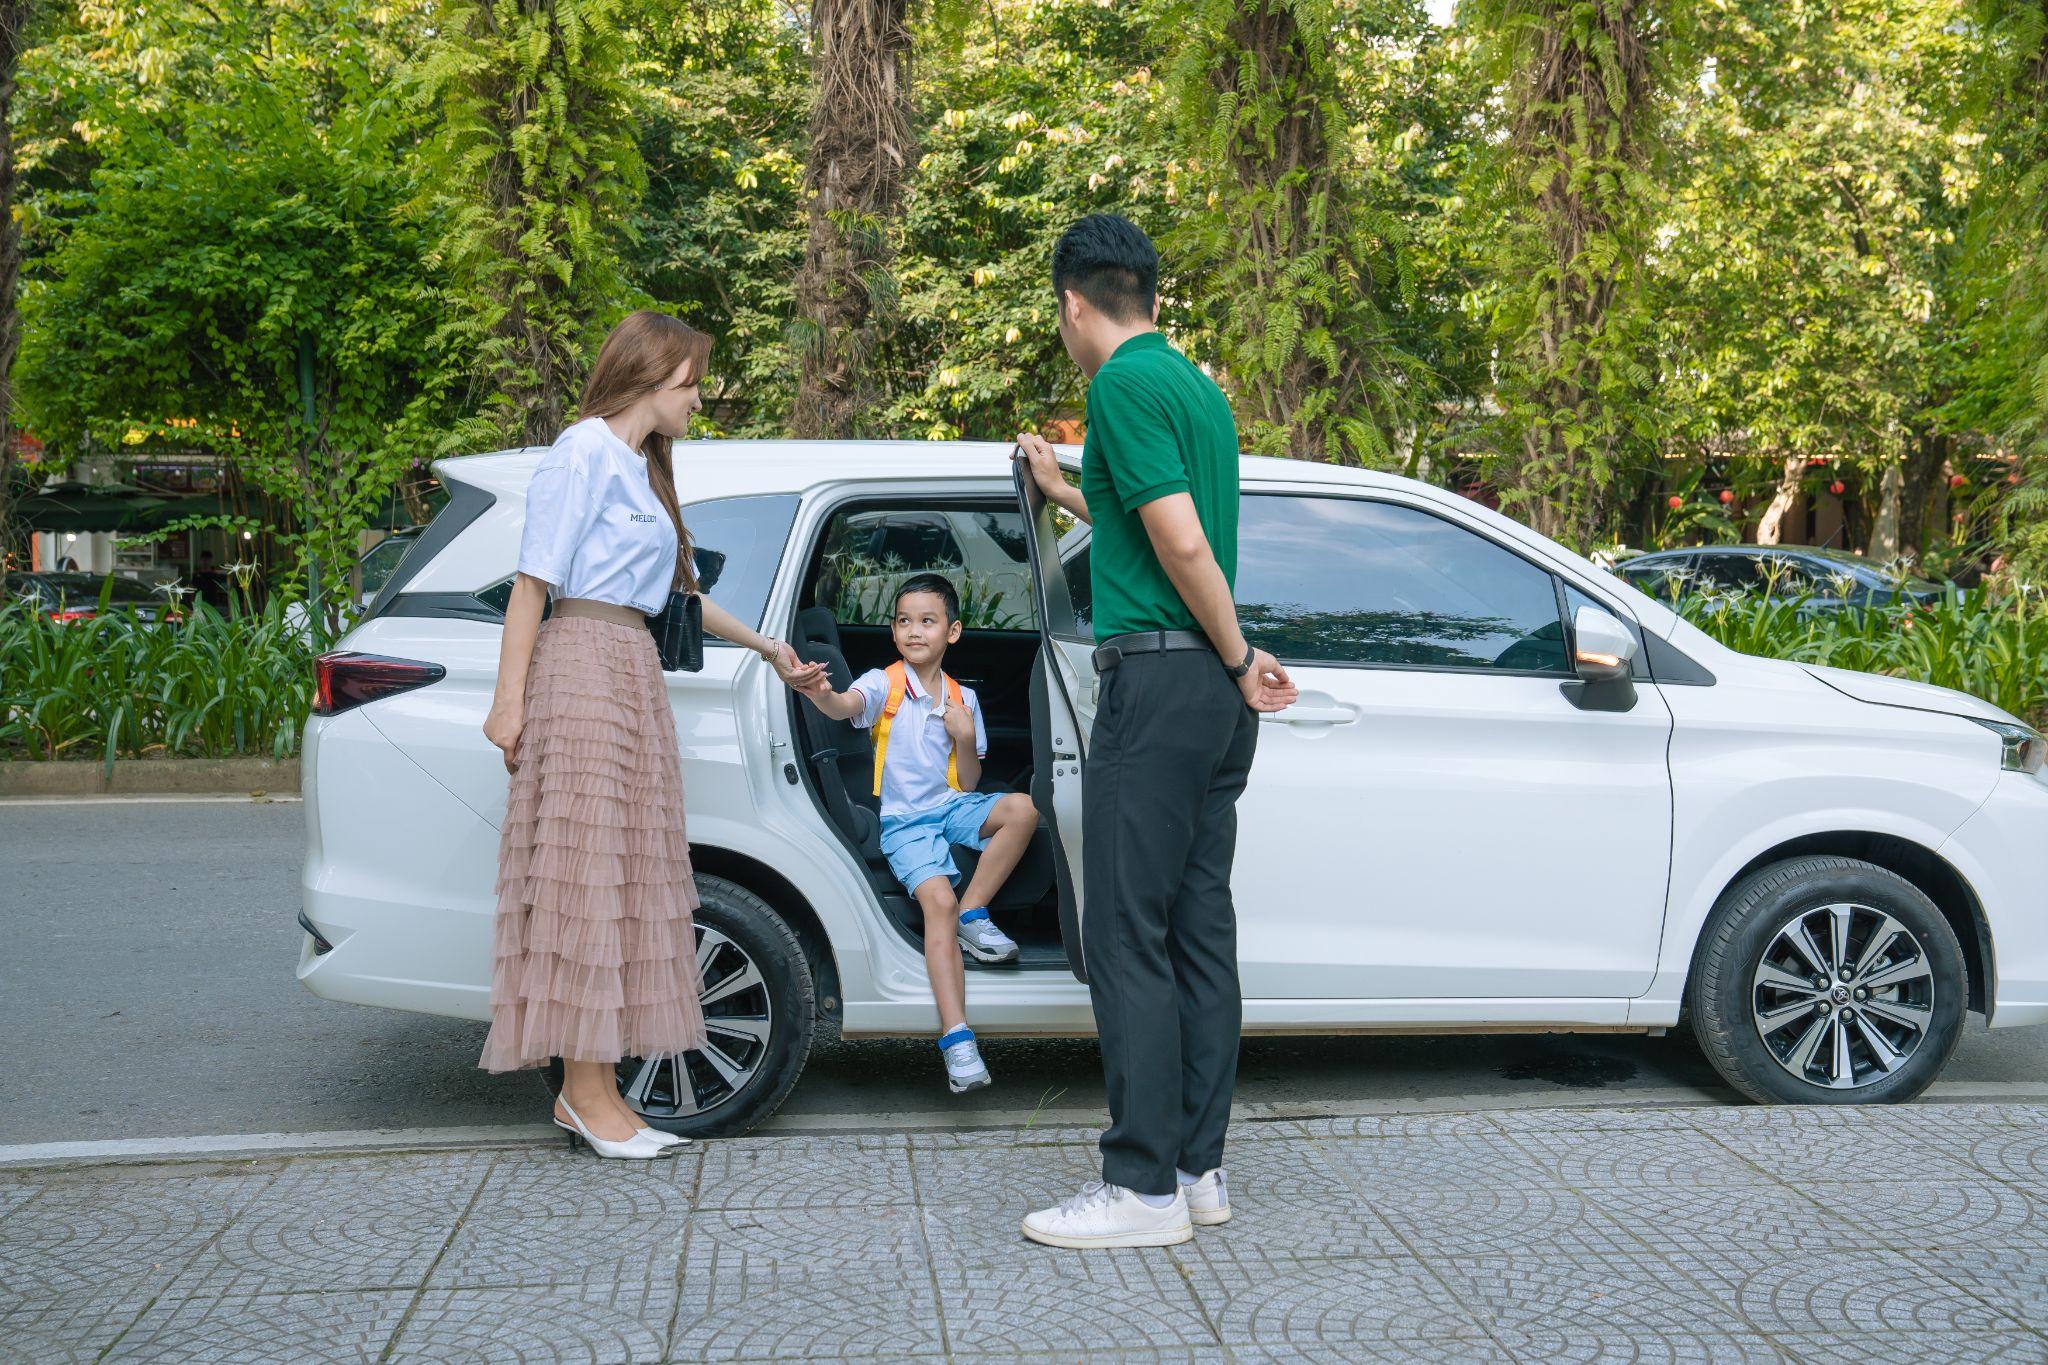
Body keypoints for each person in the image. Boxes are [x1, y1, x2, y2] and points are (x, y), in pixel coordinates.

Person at [479, 310, 825, 1159]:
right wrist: (508, 702)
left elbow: (682, 598)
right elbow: (533, 583)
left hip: (630, 666)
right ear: (650, 374)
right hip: (583, 661)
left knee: (625, 876)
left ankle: (598, 1098)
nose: (699, 399)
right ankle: (585, 1094)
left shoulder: (642, 470)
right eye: (692, 382)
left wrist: (770, 648)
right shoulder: (584, 450)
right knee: (585, 878)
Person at [1015, 214, 1297, 1248]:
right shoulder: (1191, 389)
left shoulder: (1118, 387)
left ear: (1072, 304)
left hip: (1166, 680)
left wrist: (1230, 652)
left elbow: (1178, 545)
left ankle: (1137, 1191)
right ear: (1151, 294)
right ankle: (1195, 1168)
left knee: (1125, 934)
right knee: (1195, 931)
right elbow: (1153, 524)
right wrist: (1065, 487)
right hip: (1208, 701)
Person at [794, 572, 1040, 1094]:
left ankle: (976, 912)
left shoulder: (963, 699)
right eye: (904, 621)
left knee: (1022, 810)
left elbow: (971, 781)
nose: (914, 631)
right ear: (893, 630)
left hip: (951, 806)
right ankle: (957, 1038)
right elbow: (845, 707)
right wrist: (822, 693)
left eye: (927, 622)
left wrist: (966, 735)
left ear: (952, 632)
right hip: (904, 822)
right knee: (937, 904)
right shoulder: (882, 683)